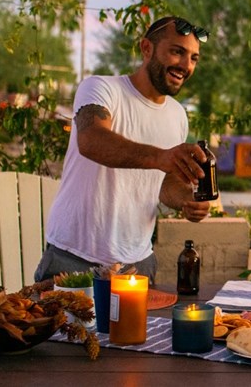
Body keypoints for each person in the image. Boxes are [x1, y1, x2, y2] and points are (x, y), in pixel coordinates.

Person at [34, 16, 214, 282]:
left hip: (137, 265)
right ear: (146, 49)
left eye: (194, 58)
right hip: (73, 259)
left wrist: (185, 201)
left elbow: (164, 184)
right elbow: (91, 140)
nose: (186, 65)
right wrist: (161, 156)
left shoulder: (177, 115)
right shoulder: (100, 88)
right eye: (177, 52)